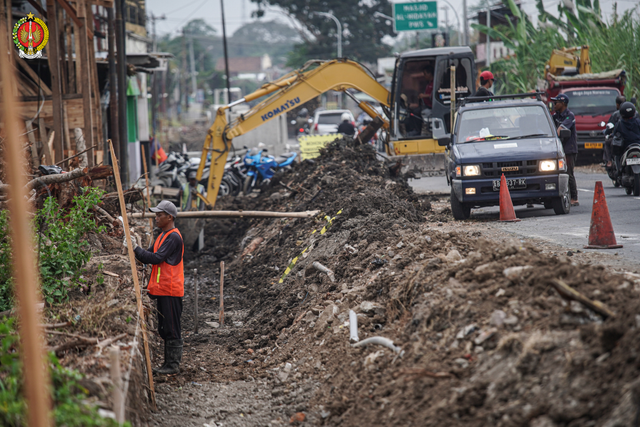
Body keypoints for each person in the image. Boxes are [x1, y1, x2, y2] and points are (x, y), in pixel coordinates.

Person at [126, 200, 184, 375]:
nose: (156, 218)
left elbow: (156, 258)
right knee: (164, 327)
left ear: (170, 217)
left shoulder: (173, 236)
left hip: (171, 289)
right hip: (163, 289)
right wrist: (135, 249)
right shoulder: (163, 236)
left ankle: (172, 365)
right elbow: (148, 255)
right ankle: (168, 363)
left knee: (172, 327)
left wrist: (135, 247)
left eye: (159, 215)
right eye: (156, 214)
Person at [551, 94, 579, 206]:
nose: (554, 105)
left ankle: (574, 198)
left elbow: (559, 130)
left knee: (568, 173)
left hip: (569, 149)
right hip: (558, 149)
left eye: (556, 103)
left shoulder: (569, 116)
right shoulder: (555, 116)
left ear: (562, 104)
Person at [604, 95, 627, 167]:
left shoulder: (616, 116)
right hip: (633, 140)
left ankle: (609, 161)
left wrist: (609, 134)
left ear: (617, 104)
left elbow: (611, 130)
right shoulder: (635, 114)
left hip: (620, 140)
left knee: (607, 142)